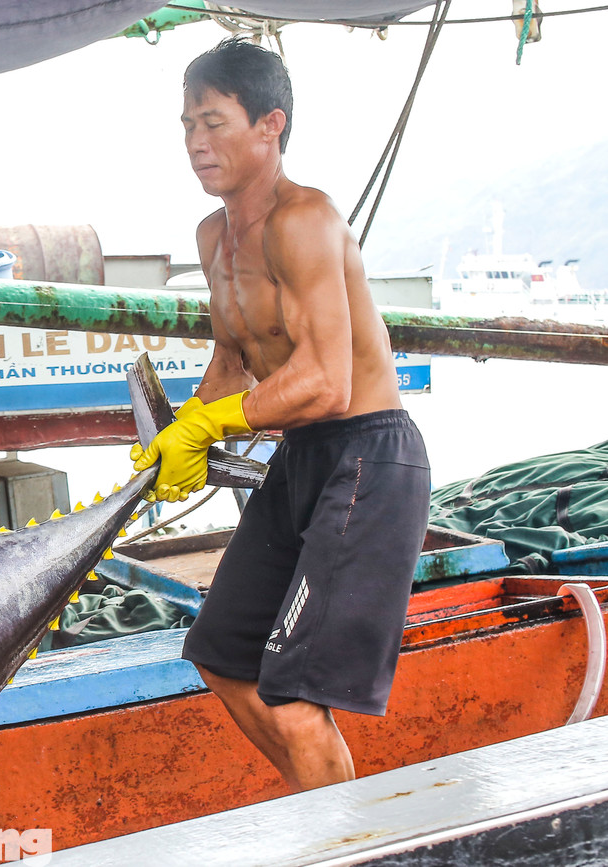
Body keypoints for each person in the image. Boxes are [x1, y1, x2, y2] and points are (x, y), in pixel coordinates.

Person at [132, 38, 430, 792]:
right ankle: (324, 810)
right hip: (300, 458)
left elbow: (325, 382)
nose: (197, 143)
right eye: (186, 126)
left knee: (297, 702)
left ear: (270, 124)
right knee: (223, 654)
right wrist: (179, 436)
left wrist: (211, 426)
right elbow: (232, 363)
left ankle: (344, 840)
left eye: (214, 122)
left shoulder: (306, 219)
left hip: (368, 457)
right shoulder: (213, 238)